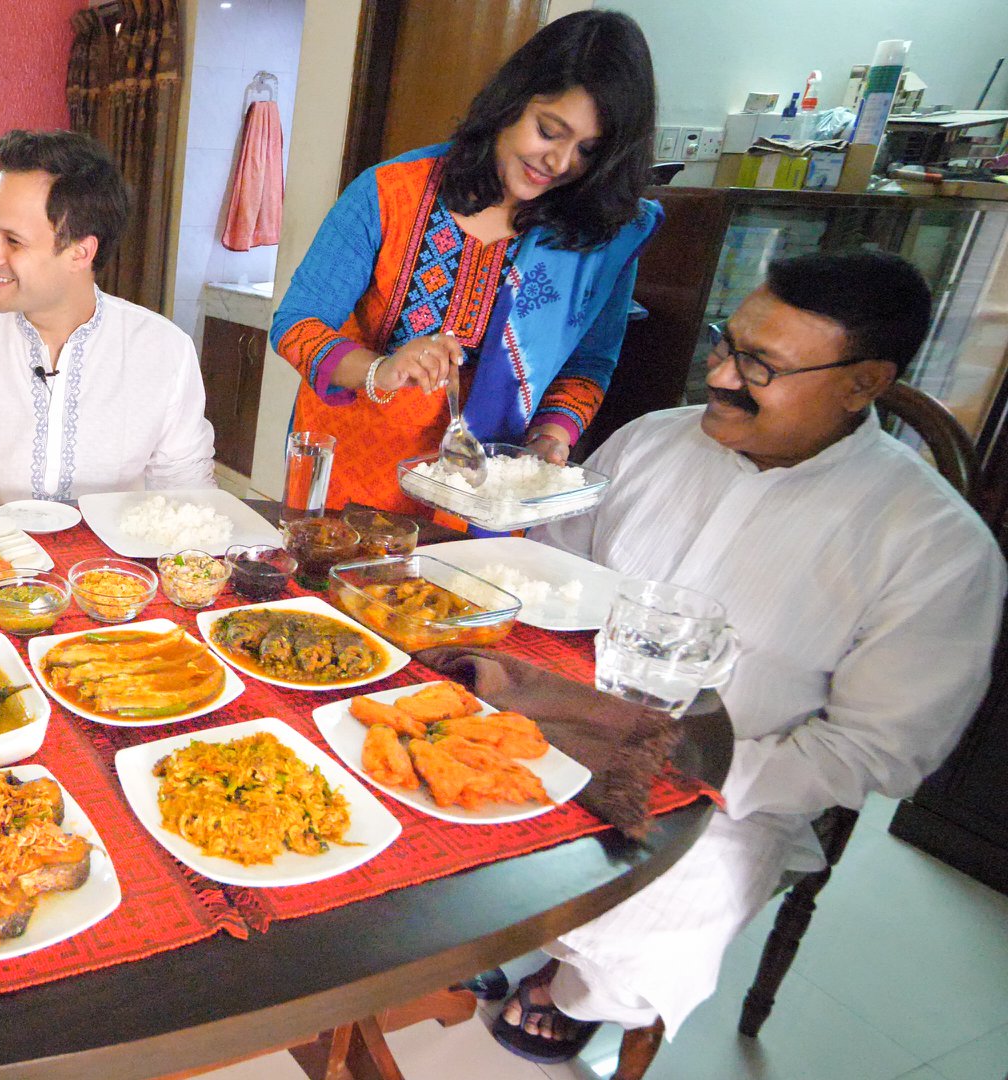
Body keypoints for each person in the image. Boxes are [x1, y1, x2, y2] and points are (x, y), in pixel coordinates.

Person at [487, 250, 1006, 1063]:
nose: (721, 375)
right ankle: (450, 947)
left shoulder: (932, 546)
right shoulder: (651, 440)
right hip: (555, 705)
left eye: (759, 365)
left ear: (863, 384)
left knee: (656, 918)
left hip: (733, 785)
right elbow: (550, 569)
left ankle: (575, 984)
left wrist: (685, 763)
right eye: (726, 343)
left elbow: (879, 749)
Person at [270, 10, 661, 513]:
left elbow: (589, 364)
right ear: (512, 101)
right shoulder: (392, 193)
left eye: (587, 150)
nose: (560, 162)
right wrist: (382, 369)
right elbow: (296, 325)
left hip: (486, 498)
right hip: (350, 485)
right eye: (548, 131)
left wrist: (552, 434)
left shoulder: (599, 235)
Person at [0, 129, 214, 511]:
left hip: (112, 551)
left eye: (13, 241)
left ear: (80, 252)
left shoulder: (164, 350)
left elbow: (186, 486)